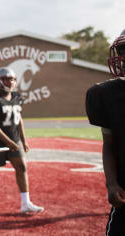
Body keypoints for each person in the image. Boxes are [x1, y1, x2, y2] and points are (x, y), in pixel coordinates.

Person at [0, 67, 44, 213]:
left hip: (14, 139)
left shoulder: (17, 96)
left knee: (22, 167)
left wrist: (23, 139)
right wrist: (8, 142)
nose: (9, 82)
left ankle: (25, 203)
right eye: (6, 79)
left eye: (12, 79)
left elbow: (19, 119)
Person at [85, 29, 125, 236]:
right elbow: (108, 144)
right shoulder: (105, 94)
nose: (124, 56)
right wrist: (111, 183)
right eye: (122, 49)